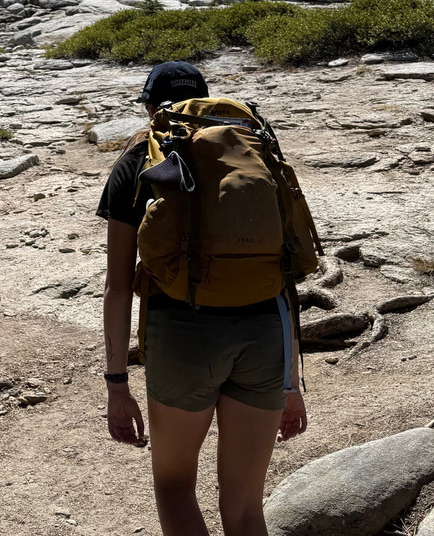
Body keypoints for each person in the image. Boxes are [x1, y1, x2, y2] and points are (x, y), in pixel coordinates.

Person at [99, 61, 307, 536]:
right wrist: (291, 382)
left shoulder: (140, 160)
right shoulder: (254, 152)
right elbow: (285, 274)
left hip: (182, 333)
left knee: (174, 487)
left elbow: (117, 285)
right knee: (245, 508)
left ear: (152, 107)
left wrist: (116, 385)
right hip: (264, 332)